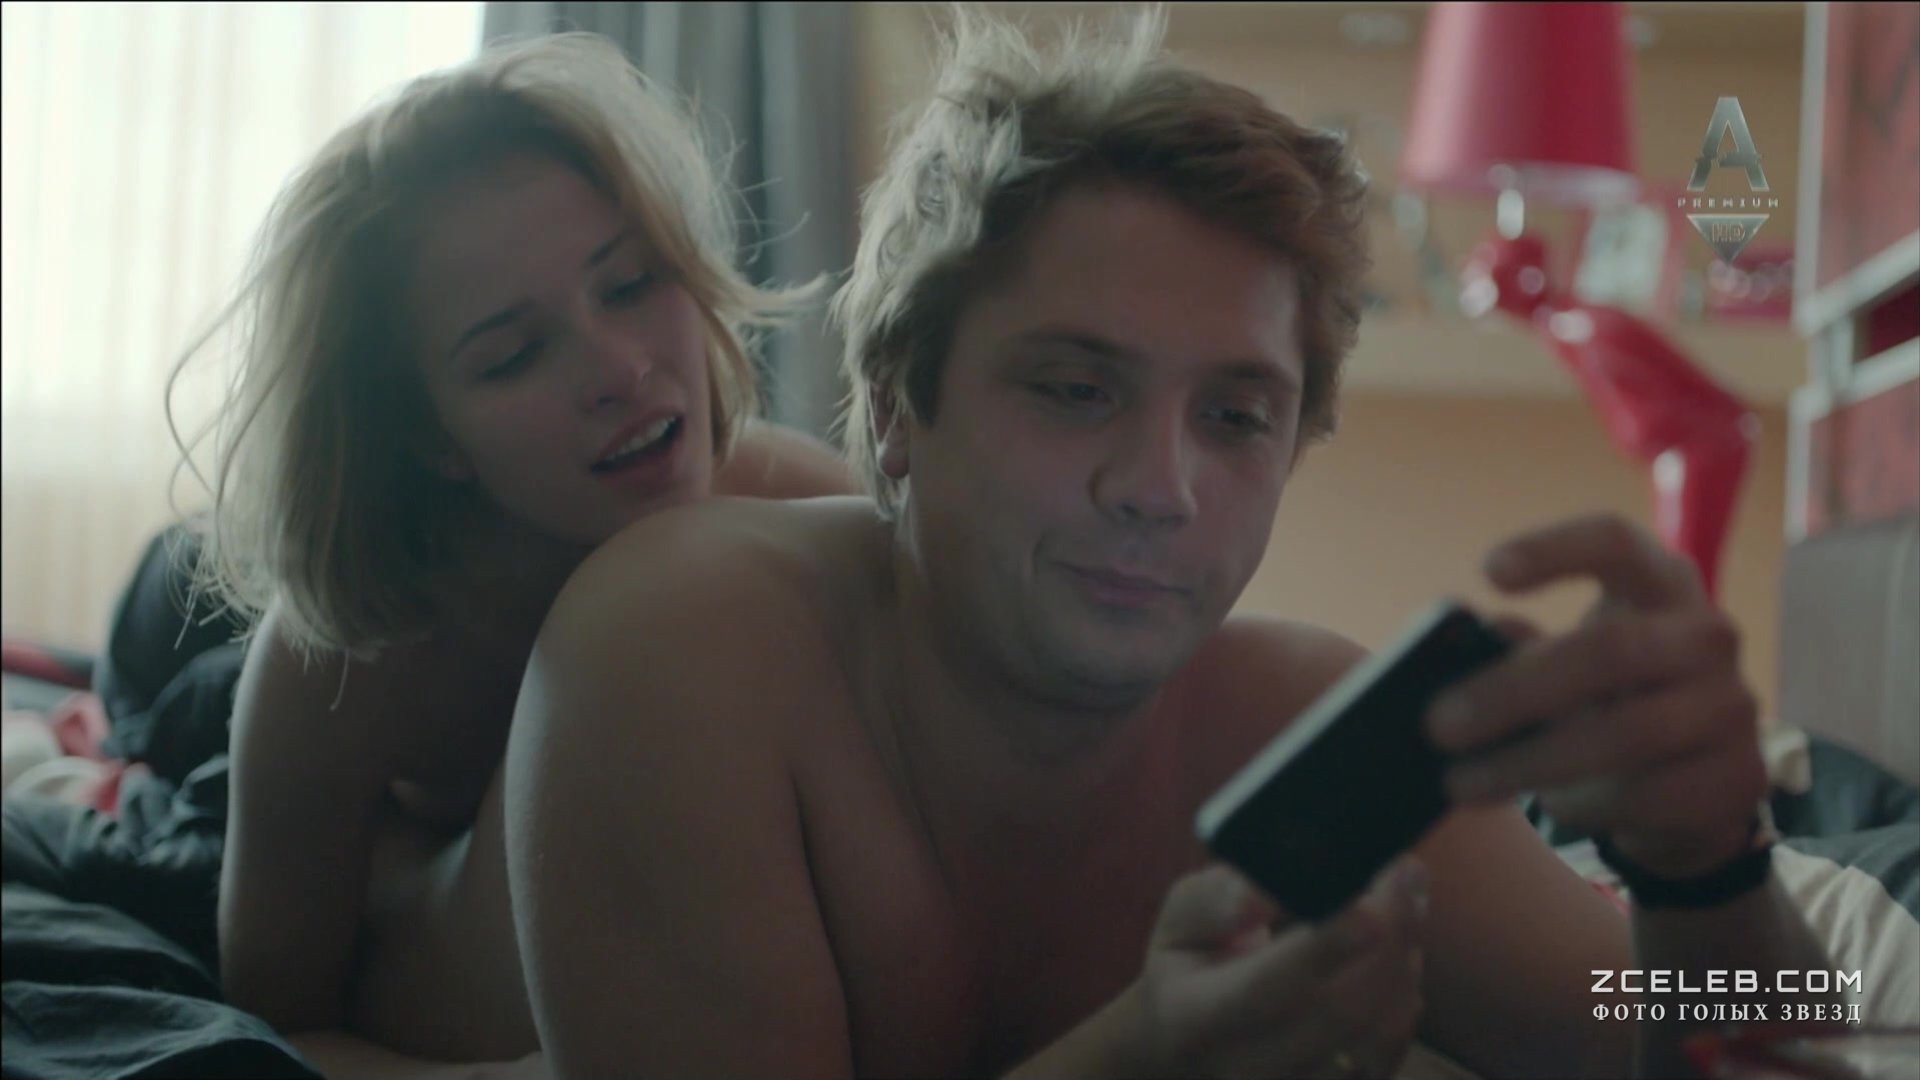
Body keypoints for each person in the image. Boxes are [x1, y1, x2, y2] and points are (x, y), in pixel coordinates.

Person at [505, 8, 1830, 1079]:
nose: (1161, 489)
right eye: (1076, 389)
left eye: (1236, 416)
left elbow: (1750, 1046)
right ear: (901, 413)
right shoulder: (684, 646)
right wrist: (1142, 1056)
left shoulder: (1306, 734)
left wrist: (1708, 866)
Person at [172, 32, 853, 1070]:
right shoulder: (345, 667)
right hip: (234, 679)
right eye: (515, 355)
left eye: (631, 284)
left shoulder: (804, 510)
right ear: (427, 436)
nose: (622, 370)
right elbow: (277, 1027)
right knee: (164, 649)